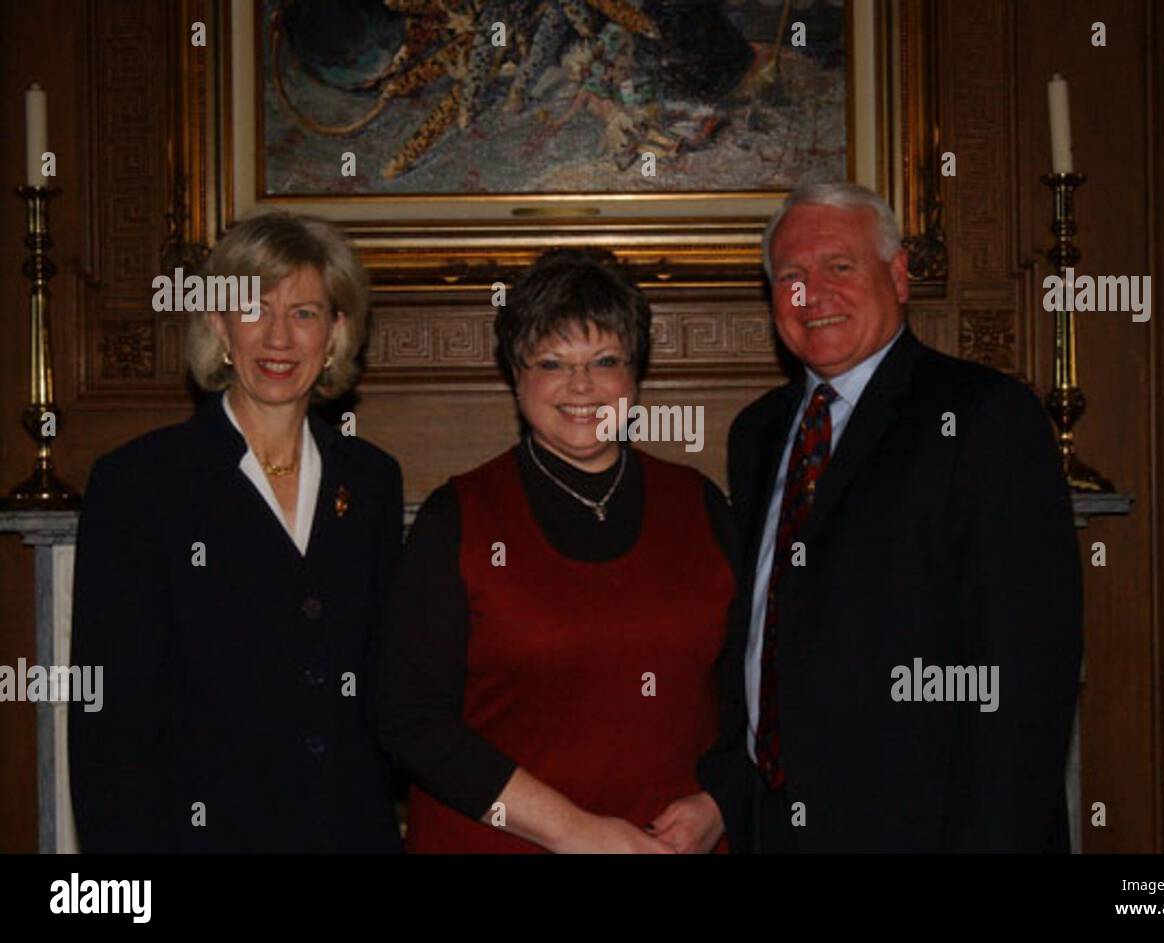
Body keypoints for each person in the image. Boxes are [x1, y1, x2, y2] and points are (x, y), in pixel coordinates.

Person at [696, 182, 1083, 852]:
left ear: (898, 276)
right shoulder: (758, 433)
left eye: (839, 266)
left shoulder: (985, 417)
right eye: (790, 276)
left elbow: (1025, 674)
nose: (813, 293)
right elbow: (760, 632)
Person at [379, 248, 745, 853]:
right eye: (552, 362)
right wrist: (577, 833)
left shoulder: (700, 504)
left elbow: (750, 690)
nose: (582, 386)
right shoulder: (459, 517)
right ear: (515, 374)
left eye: (605, 361)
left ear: (635, 372)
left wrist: (720, 801)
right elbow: (409, 718)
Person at [69, 212, 403, 853]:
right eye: (255, 310)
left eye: (304, 313)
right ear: (220, 325)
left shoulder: (371, 481)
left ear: (336, 332)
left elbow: (382, 689)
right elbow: (109, 722)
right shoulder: (140, 485)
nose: (279, 337)